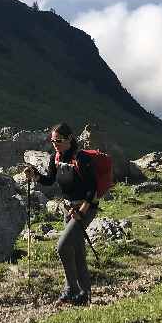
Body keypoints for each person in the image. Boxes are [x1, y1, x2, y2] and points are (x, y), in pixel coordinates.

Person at [24, 122, 98, 305]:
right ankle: (84, 295)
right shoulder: (55, 158)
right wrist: (35, 175)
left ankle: (71, 289)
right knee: (77, 251)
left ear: (70, 139)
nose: (55, 144)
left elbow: (92, 189)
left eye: (59, 140)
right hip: (68, 209)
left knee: (63, 246)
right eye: (52, 140)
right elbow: (49, 181)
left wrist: (81, 212)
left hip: (83, 210)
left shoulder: (81, 158)